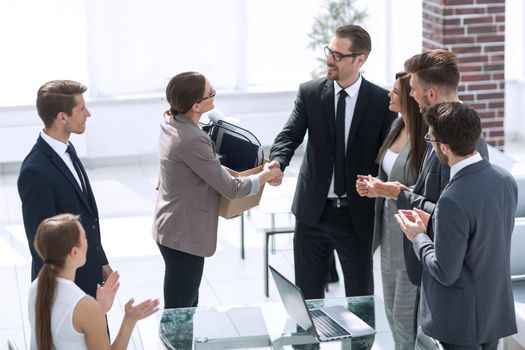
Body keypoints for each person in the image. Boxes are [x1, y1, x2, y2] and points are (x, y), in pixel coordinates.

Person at [268, 24, 397, 299]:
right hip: (313, 213)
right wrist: (278, 162)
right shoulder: (310, 93)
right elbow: (289, 134)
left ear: (359, 59)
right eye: (329, 51)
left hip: (357, 216)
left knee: (360, 301)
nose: (329, 59)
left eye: (338, 55)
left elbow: (391, 155)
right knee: (307, 303)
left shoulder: (380, 102)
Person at [153, 71, 282, 308]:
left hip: (170, 226)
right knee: (181, 310)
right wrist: (263, 176)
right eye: (210, 94)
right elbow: (232, 189)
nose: (214, 96)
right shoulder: (193, 138)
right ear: (195, 105)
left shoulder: (170, 121)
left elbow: (200, 163)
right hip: (184, 235)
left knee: (187, 301)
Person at [395, 102, 517, 350]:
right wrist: (437, 223)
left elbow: (444, 272)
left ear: (445, 147)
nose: (429, 141)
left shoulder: (453, 197)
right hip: (494, 312)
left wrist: (417, 236)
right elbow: (484, 238)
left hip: (460, 322)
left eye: (430, 138)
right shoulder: (505, 180)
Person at [18, 80, 112, 298]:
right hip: (65, 289)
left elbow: (86, 218)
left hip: (88, 274)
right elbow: (40, 243)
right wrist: (62, 296)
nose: (88, 114)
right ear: (62, 117)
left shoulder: (67, 149)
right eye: (81, 109)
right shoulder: (35, 171)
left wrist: (101, 261)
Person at [356, 71, 427, 349]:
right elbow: (390, 175)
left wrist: (387, 190)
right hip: (388, 227)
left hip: (409, 231)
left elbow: (423, 192)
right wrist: (375, 186)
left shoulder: (423, 139)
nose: (390, 95)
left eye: (396, 91)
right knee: (391, 306)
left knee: (405, 312)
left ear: (410, 97)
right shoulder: (397, 125)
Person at [28, 213, 159, 350]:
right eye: (85, 237)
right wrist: (130, 319)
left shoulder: (36, 287)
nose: (88, 242)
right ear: (74, 252)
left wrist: (99, 309)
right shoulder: (86, 307)